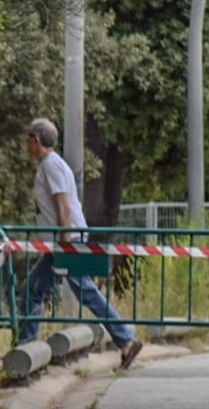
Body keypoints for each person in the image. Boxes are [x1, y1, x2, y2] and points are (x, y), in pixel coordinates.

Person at [18, 117, 143, 368]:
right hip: (64, 241)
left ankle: (126, 339)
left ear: (36, 140)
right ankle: (26, 347)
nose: (27, 145)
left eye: (29, 139)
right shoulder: (53, 164)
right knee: (34, 288)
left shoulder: (50, 166)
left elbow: (62, 205)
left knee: (85, 291)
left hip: (67, 239)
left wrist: (66, 244)